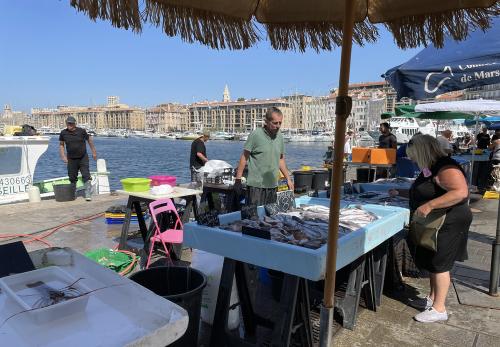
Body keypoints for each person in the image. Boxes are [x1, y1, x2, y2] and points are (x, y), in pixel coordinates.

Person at [406, 134, 471, 323]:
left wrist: (429, 206)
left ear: (423, 151)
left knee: (440, 263)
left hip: (449, 220)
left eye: (414, 155)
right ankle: (433, 299)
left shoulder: (446, 166)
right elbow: (426, 189)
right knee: (433, 260)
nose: (412, 159)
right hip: (438, 221)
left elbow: (460, 192)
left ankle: (439, 309)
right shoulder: (431, 166)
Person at [235, 107, 293, 206]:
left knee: (271, 218)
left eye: (280, 123)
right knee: (253, 219)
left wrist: (288, 178)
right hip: (256, 186)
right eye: (275, 123)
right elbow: (244, 157)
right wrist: (238, 179)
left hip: (273, 185)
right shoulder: (256, 134)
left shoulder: (280, 136)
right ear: (266, 122)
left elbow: (281, 159)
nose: (278, 126)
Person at [59, 116, 97, 201]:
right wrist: (63, 156)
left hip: (83, 157)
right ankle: (73, 193)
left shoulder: (81, 131)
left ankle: (87, 193)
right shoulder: (63, 133)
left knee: (86, 175)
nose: (69, 125)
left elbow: (89, 141)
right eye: (68, 123)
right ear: (66, 123)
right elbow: (61, 145)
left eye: (71, 123)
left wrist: (94, 152)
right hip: (71, 159)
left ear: (74, 124)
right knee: (72, 177)